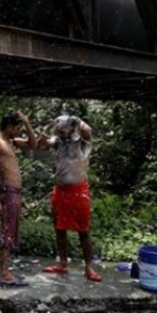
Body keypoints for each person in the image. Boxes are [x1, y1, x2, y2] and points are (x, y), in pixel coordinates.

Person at [38, 115, 103, 282]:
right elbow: (41, 143)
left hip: (79, 191)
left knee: (83, 231)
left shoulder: (81, 142)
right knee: (59, 229)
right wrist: (49, 126)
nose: (60, 133)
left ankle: (88, 267)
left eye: (62, 130)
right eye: (58, 131)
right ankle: (63, 264)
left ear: (70, 128)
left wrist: (74, 119)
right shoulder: (58, 142)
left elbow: (87, 130)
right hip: (60, 191)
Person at [0, 110, 37, 287]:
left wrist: (27, 122)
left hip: (15, 192)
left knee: (11, 230)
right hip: (6, 192)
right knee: (7, 231)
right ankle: (3, 272)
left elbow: (33, 144)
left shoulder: (11, 142)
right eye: (17, 128)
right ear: (9, 127)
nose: (18, 131)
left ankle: (6, 270)